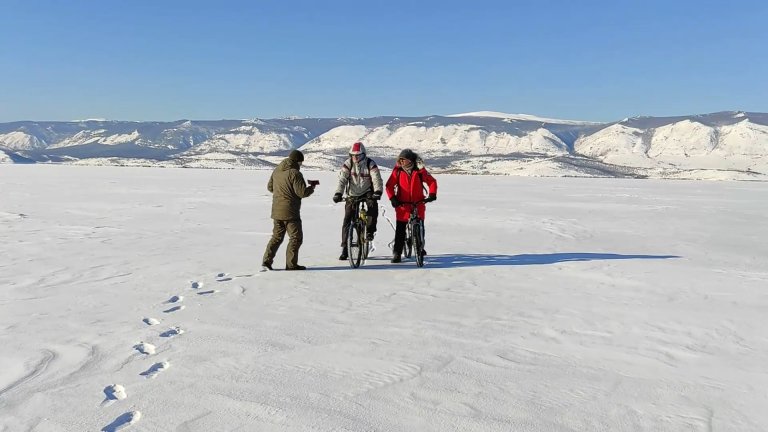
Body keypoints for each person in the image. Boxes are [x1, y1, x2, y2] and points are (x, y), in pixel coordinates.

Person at [262, 149, 316, 271]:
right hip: (291, 212)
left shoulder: (276, 171)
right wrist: (311, 187)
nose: (301, 165)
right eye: (301, 163)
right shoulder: (295, 174)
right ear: (297, 161)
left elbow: (270, 187)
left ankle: (266, 262)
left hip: (276, 211)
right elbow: (302, 193)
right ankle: (291, 265)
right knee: (296, 238)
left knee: (276, 237)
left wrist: (281, 192)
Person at [332, 142, 383, 260]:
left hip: (367, 192)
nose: (355, 157)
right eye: (353, 155)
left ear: (363, 155)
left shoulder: (370, 164)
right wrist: (338, 193)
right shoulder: (348, 164)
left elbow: (376, 179)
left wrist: (378, 191)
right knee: (347, 219)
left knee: (372, 207)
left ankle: (369, 231)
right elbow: (342, 180)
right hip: (352, 193)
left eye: (358, 155)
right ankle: (345, 248)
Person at [385, 149, 437, 263]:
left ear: (410, 160)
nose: (401, 161)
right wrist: (393, 198)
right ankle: (397, 252)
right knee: (400, 229)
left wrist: (432, 194)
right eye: (400, 159)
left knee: (420, 226)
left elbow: (432, 181)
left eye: (404, 159)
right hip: (402, 204)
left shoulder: (419, 171)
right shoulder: (397, 171)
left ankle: (420, 247)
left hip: (418, 203)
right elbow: (389, 185)